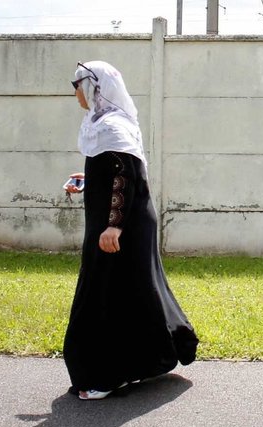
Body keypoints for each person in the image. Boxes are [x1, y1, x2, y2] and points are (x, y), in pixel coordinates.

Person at [62, 61, 199, 401]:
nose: (74, 92)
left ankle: (107, 375)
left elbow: (126, 176)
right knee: (132, 291)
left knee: (106, 294)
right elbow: (113, 172)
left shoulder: (111, 125)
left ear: (94, 87)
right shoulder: (104, 123)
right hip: (121, 223)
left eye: (76, 84)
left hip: (122, 227)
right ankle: (145, 359)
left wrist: (114, 226)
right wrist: (87, 181)